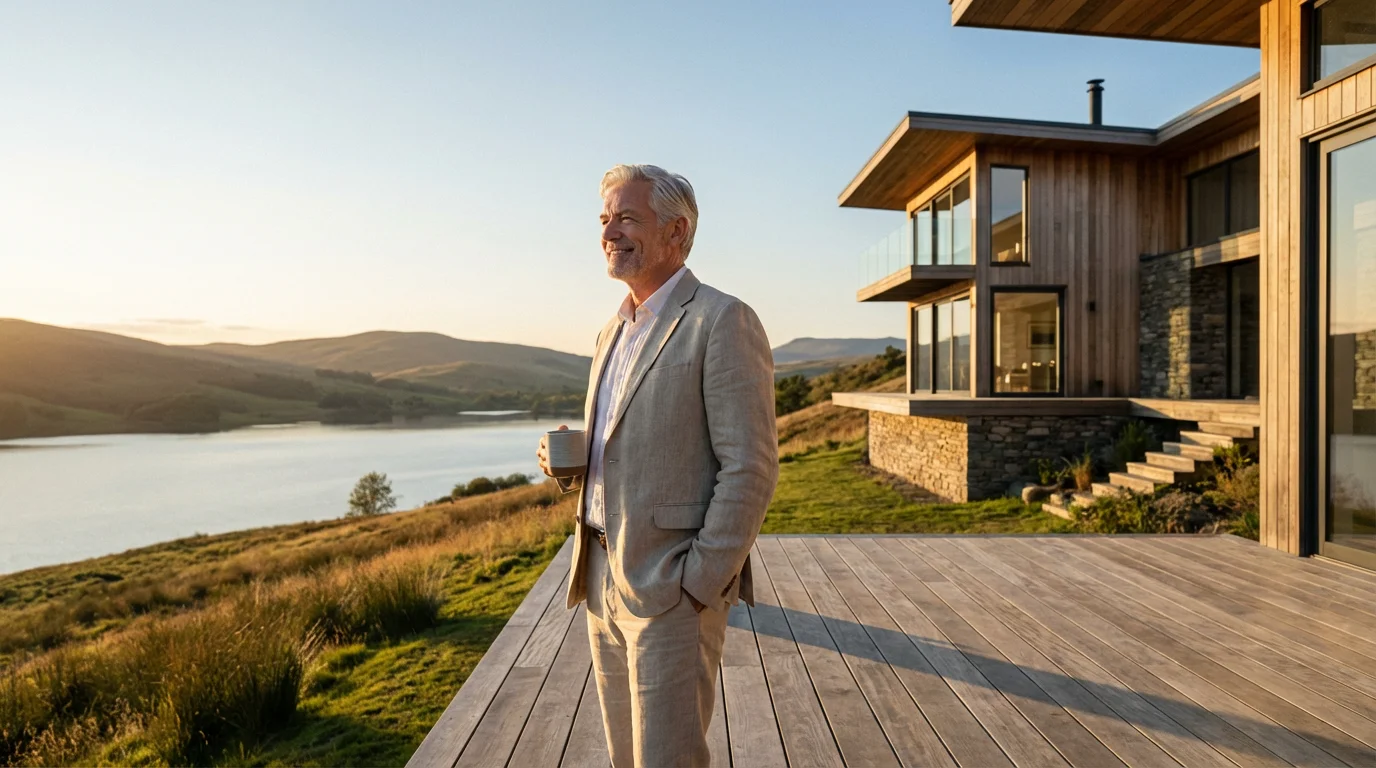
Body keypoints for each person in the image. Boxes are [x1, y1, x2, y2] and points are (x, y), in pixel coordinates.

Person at [536, 164, 777, 767]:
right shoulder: (611, 331)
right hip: (599, 575)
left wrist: (698, 583)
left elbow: (749, 467)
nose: (609, 232)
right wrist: (573, 463)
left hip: (671, 588)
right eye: (604, 219)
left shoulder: (722, 320)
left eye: (626, 217)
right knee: (626, 756)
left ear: (677, 231)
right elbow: (633, 443)